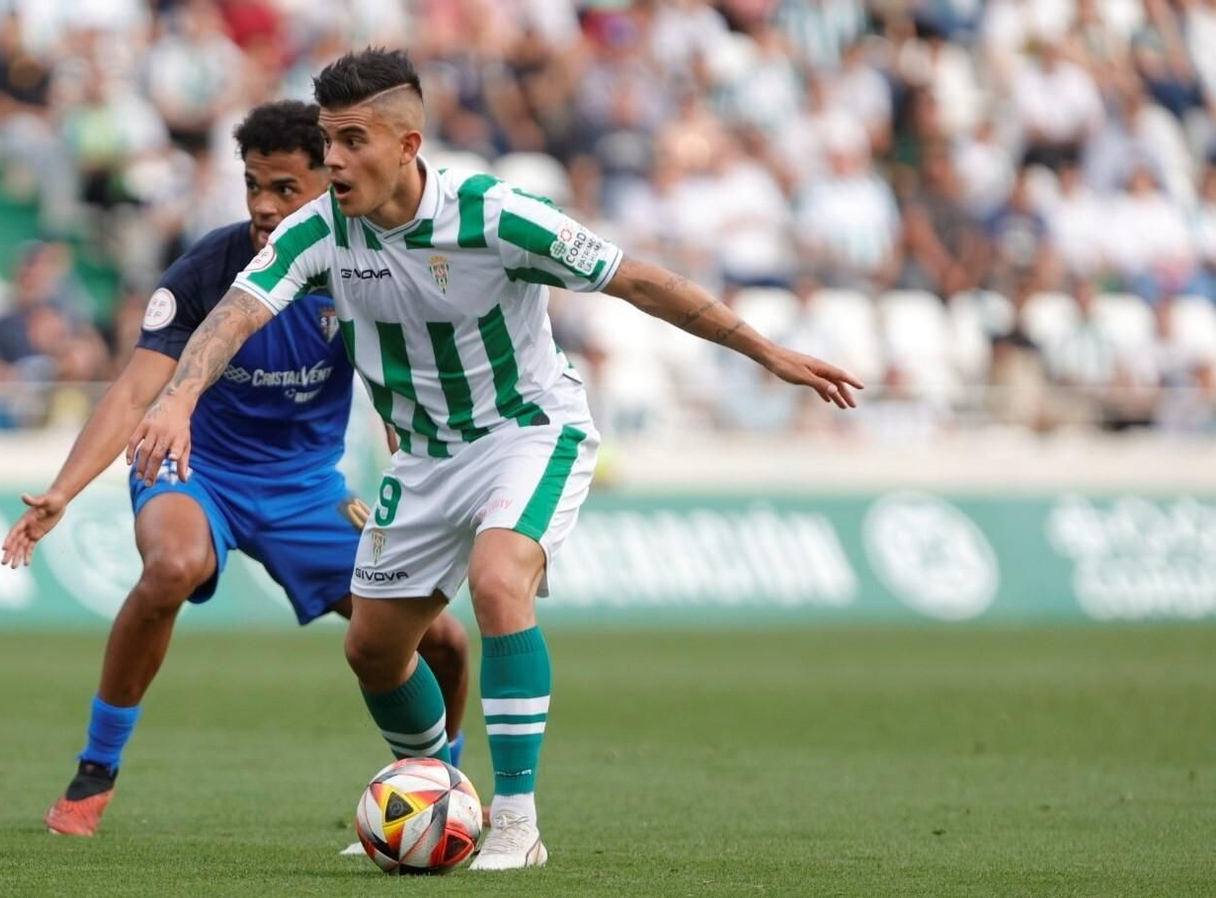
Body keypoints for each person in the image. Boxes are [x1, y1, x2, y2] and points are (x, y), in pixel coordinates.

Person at [126, 48, 862, 871]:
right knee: (372, 650)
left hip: (528, 431)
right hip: (426, 458)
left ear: (407, 146)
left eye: (351, 139)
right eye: (328, 139)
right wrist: (179, 398)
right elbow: (233, 313)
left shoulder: (498, 215)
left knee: (499, 581)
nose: (332, 158)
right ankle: (438, 792)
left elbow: (638, 282)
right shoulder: (319, 231)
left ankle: (516, 821)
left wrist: (767, 352)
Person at [0, 100, 472, 838]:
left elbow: (397, 397)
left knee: (444, 641)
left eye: (285, 189)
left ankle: (445, 791)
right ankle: (96, 771)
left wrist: (415, 496)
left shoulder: (366, 269)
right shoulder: (209, 269)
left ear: (332, 183)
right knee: (171, 567)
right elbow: (133, 390)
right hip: (197, 469)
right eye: (253, 185)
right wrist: (63, 490)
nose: (262, 205)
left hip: (308, 488)